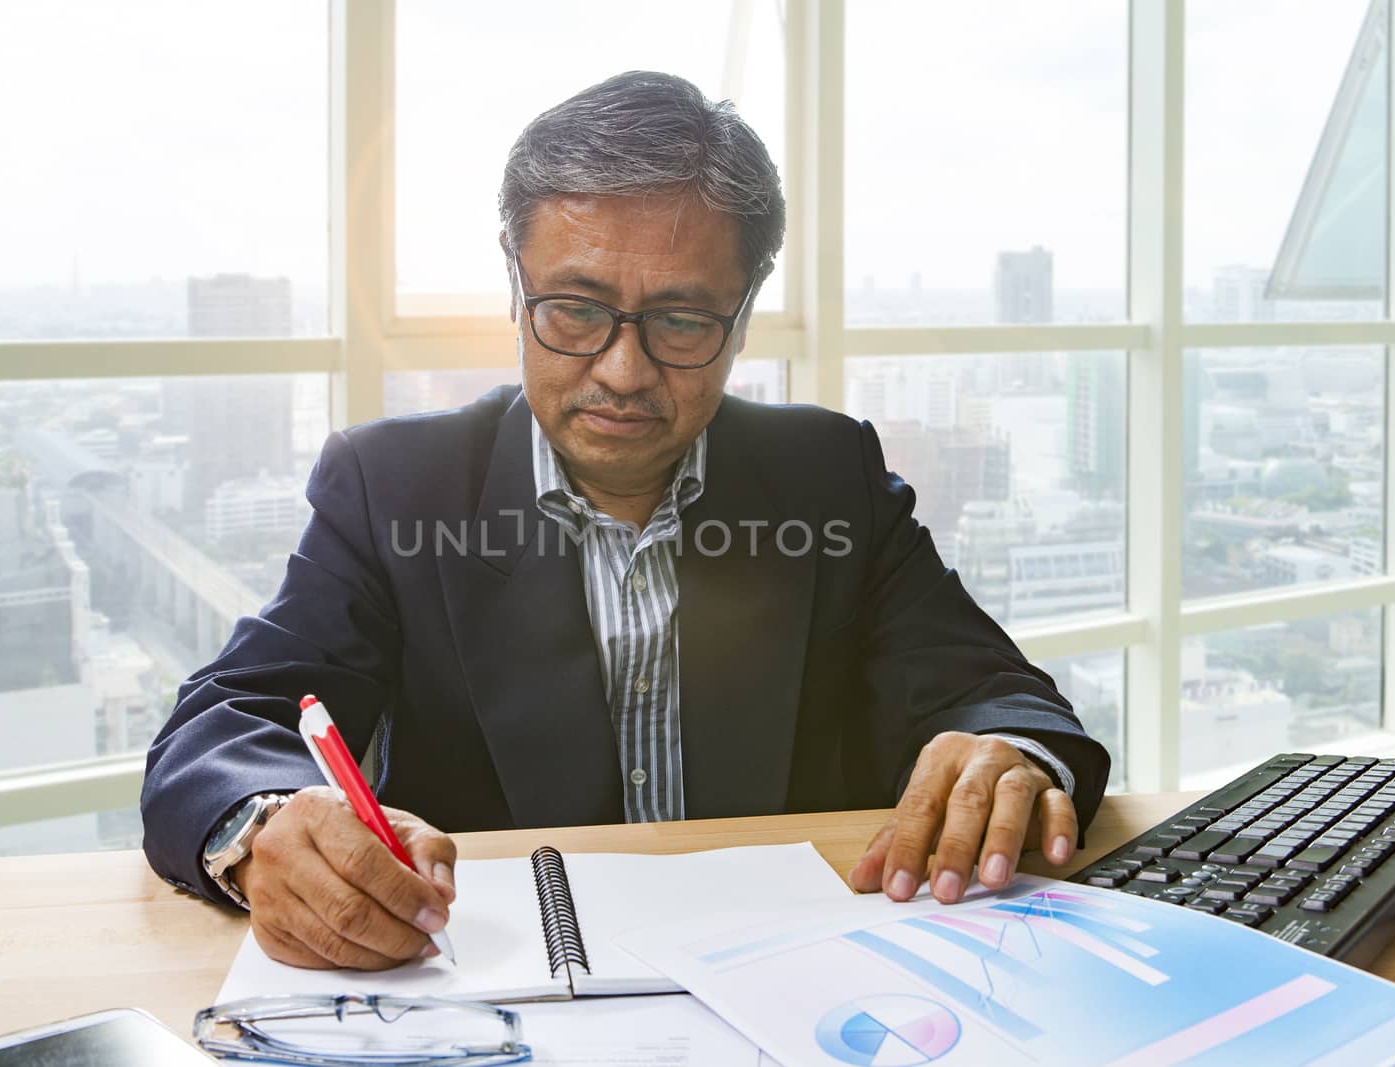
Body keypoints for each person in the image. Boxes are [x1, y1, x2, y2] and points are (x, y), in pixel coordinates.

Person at [141, 70, 1110, 972]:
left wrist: (1004, 756)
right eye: (574, 309)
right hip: (496, 998)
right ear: (514, 281)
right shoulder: (393, 485)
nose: (621, 369)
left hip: (801, 988)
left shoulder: (828, 476)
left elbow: (997, 696)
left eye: (683, 322)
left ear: (744, 310)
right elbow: (223, 725)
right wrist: (263, 823)